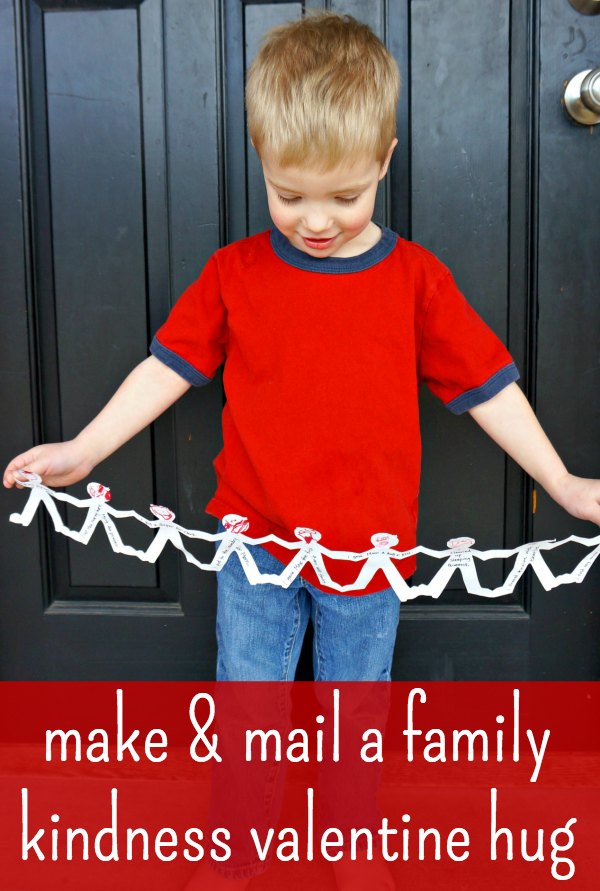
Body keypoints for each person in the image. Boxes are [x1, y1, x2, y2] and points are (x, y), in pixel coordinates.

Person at [3, 12, 600, 886]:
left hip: (372, 553)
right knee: (250, 712)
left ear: (387, 160)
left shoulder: (415, 281)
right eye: (290, 195)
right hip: (257, 549)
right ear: (259, 158)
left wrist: (565, 481)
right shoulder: (235, 275)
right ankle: (237, 853)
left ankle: (355, 849)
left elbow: (488, 390)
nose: (316, 220)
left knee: (356, 714)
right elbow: (164, 369)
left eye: (345, 197)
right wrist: (85, 452)